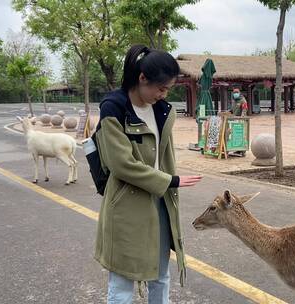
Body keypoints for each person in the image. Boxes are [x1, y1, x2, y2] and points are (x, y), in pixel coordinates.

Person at [93, 45, 202, 304]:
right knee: (122, 284)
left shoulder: (162, 111)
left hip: (161, 202)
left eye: (168, 89)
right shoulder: (114, 107)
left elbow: (162, 157)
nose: (164, 94)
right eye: (161, 88)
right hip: (127, 204)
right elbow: (121, 164)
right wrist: (170, 181)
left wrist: (167, 183)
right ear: (142, 79)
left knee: (160, 277)